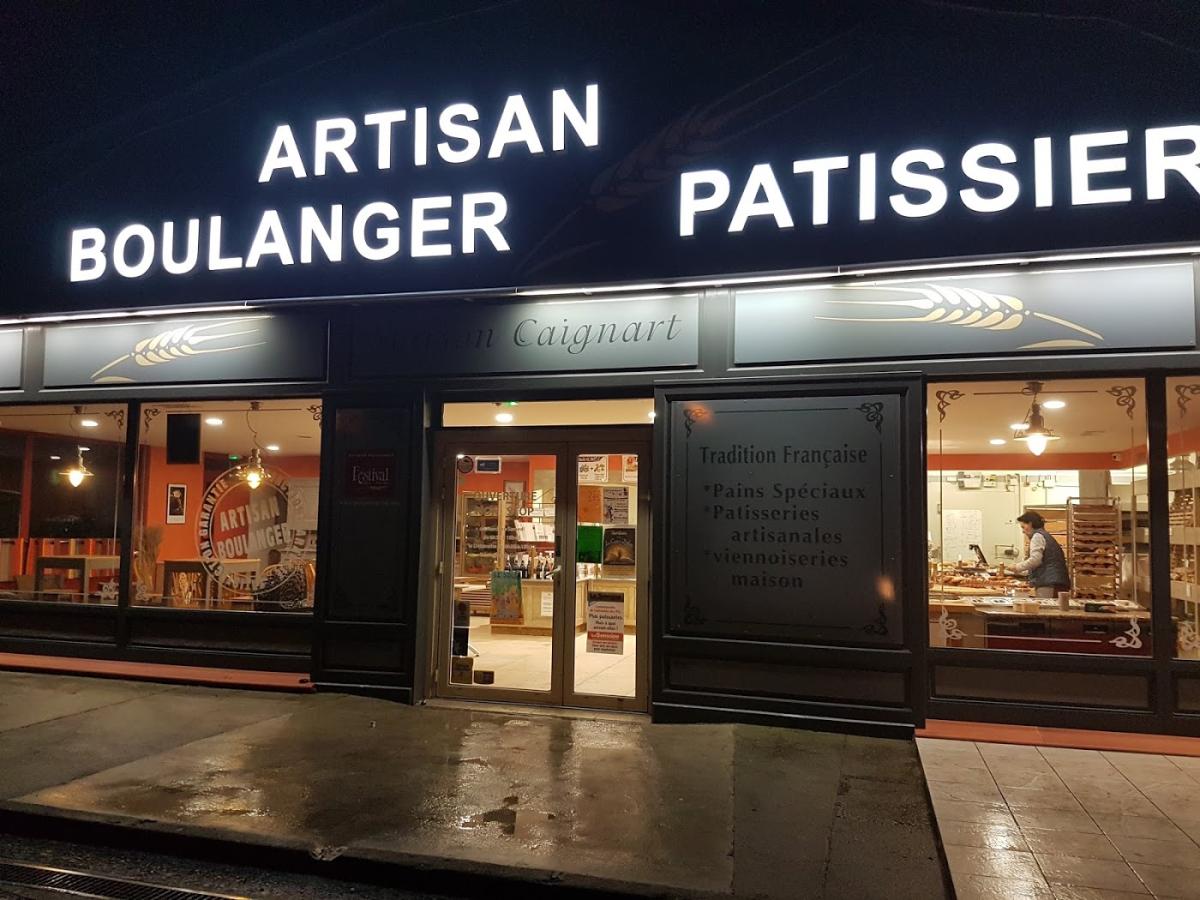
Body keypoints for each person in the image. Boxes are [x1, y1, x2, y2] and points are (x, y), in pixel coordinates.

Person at [1013, 511, 1070, 598]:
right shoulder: (1045, 535)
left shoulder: (1037, 536)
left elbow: (1035, 560)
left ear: (1030, 524)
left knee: (1047, 609)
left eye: (1023, 527)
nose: (1023, 531)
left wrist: (1016, 567)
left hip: (1048, 583)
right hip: (1055, 581)